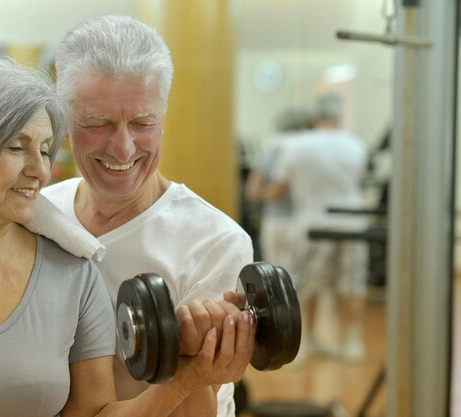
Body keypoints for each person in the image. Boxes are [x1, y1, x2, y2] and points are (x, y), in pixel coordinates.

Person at [0, 57, 254, 417]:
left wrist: (189, 379)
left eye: (46, 149)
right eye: (17, 149)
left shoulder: (74, 273)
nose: (41, 170)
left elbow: (95, 415)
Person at [41, 15, 255, 417]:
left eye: (142, 123)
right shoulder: (37, 215)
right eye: (98, 123)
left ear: (162, 116)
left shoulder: (216, 241)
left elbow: (195, 406)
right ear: (64, 121)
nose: (123, 149)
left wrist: (197, 364)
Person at [267, 93, 369, 364]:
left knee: (301, 284)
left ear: (315, 117)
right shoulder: (356, 146)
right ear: (339, 117)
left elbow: (280, 187)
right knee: (352, 282)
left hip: (312, 222)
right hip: (353, 223)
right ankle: (352, 342)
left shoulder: (298, 146)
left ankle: (300, 346)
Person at [245, 107, 311, 264]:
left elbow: (252, 192)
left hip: (274, 221)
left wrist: (268, 195)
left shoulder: (270, 149)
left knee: (273, 276)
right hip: (302, 221)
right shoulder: (308, 149)